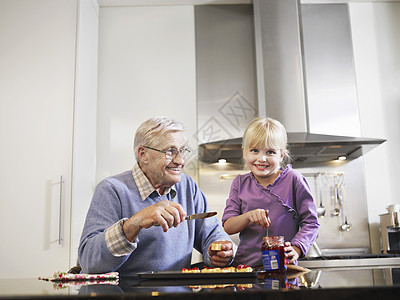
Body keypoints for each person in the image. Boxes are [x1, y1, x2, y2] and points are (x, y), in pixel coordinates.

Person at [78, 116, 235, 275]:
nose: (180, 160)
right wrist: (134, 224)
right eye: (170, 151)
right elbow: (89, 262)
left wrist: (221, 251)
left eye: (182, 151)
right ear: (143, 154)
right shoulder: (111, 190)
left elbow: (212, 234)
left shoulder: (188, 187)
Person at [222, 117, 319, 267]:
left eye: (270, 152)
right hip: (246, 270)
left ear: (281, 155)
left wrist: (297, 248)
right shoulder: (239, 183)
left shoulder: (294, 180)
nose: (261, 158)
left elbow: (311, 223)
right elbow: (228, 226)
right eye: (254, 150)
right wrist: (248, 216)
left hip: (284, 267)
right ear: (244, 152)